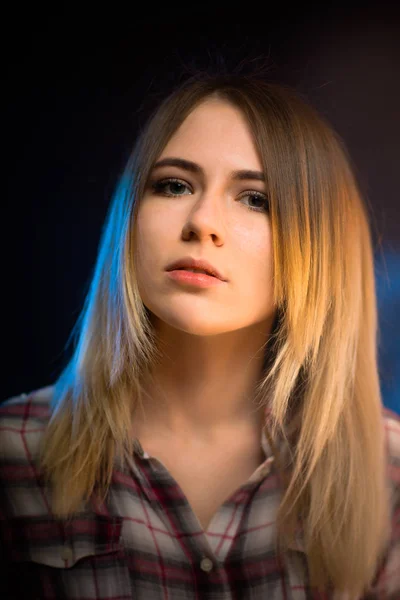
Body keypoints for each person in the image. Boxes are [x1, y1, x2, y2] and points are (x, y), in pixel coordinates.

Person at [1, 70, 399, 600]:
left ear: (320, 248)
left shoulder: (388, 469)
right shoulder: (13, 454)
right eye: (174, 185)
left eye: (255, 198)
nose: (202, 221)